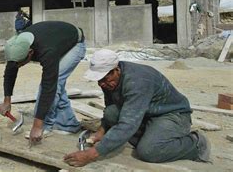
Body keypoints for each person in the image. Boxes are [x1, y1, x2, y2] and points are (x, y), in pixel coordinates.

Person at [63, 49, 211, 167]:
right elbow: (110, 106)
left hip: (171, 115)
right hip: (146, 113)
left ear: (116, 70)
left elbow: (128, 124)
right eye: (98, 80)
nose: (101, 84)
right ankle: (151, 136)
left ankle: (196, 144)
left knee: (149, 151)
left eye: (104, 79)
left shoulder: (137, 81)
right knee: (111, 113)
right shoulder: (109, 80)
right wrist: (101, 133)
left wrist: (91, 154)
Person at [0, 21, 86, 145]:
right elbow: (11, 70)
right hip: (58, 40)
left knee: (54, 82)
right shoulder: (17, 45)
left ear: (30, 53)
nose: (19, 66)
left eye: (21, 63)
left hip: (75, 44)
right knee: (56, 84)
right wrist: (7, 101)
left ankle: (46, 126)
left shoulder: (47, 50)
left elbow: (48, 86)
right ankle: (68, 124)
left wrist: (37, 126)